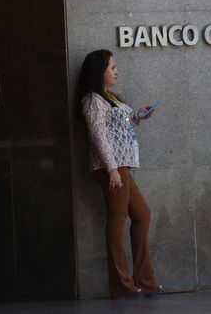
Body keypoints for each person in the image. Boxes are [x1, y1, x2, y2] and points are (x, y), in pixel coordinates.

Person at [79, 50, 162, 299]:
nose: (116, 71)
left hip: (122, 166)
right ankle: (122, 285)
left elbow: (120, 125)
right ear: (99, 72)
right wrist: (112, 169)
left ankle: (144, 280)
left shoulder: (111, 97)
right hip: (112, 168)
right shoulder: (93, 100)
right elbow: (98, 136)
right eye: (112, 67)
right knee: (117, 221)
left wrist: (137, 115)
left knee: (142, 214)